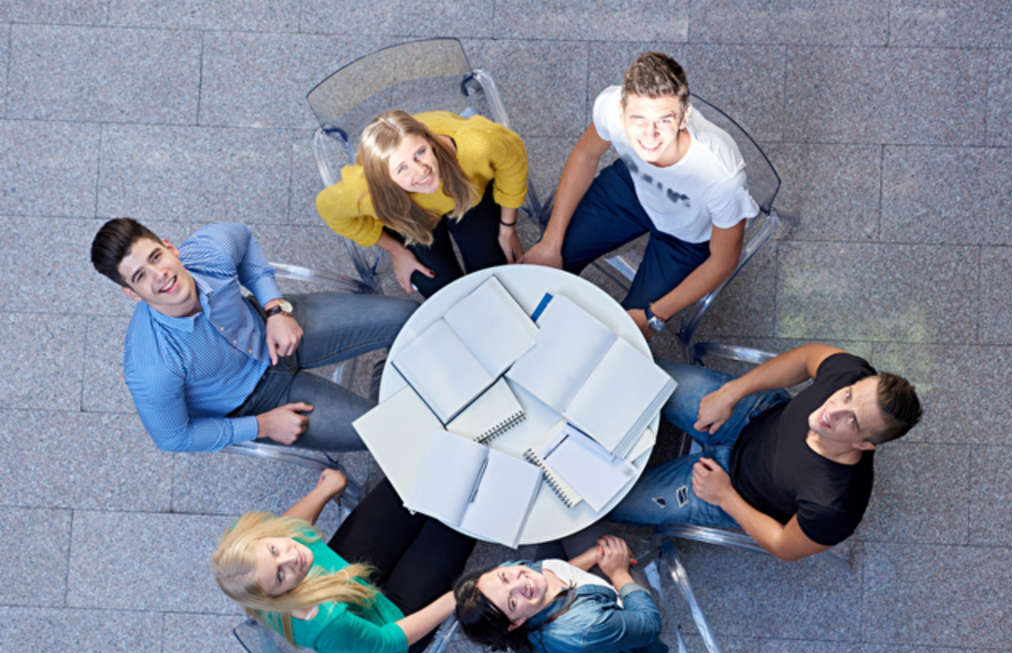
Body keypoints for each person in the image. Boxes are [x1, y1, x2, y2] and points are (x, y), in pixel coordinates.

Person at [90, 218, 417, 453]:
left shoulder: (209, 252)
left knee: (409, 318)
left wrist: (275, 308)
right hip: (259, 403)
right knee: (389, 433)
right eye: (140, 276)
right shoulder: (151, 365)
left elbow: (243, 238)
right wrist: (262, 425)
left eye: (156, 257)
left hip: (273, 326)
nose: (159, 275)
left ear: (170, 248)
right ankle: (402, 399)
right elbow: (173, 437)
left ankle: (395, 381)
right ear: (131, 293)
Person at [610, 344, 923, 561]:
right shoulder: (852, 375)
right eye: (847, 396)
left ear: (865, 445)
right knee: (634, 370)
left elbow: (784, 546)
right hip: (751, 414)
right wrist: (731, 392)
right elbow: (806, 358)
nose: (834, 410)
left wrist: (725, 497)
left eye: (852, 421)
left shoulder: (835, 506)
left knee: (609, 500)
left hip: (732, 489)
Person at [522, 52, 759, 340]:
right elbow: (585, 154)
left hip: (686, 237)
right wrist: (551, 241)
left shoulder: (721, 177)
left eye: (664, 120)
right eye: (638, 119)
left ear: (684, 117)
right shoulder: (611, 108)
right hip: (632, 187)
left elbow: (723, 261)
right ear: (622, 111)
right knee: (543, 267)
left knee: (623, 337)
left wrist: (652, 315)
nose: (650, 136)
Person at [212, 469, 475, 653]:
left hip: (342, 576)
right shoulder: (323, 622)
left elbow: (285, 527)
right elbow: (389, 642)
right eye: (280, 576)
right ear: (277, 597)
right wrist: (458, 596)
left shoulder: (245, 542)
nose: (292, 557)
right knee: (460, 518)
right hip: (390, 626)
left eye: (274, 549)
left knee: (408, 482)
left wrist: (324, 491)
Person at [316, 109, 529, 297]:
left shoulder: (477, 145)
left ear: (430, 140)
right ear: (385, 180)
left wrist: (507, 228)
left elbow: (513, 161)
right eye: (402, 168)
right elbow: (328, 210)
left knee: (493, 269)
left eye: (420, 152)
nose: (421, 171)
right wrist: (396, 251)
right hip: (411, 216)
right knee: (439, 289)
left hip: (466, 194)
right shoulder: (365, 192)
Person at [455, 534, 667, 653]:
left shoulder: (505, 577)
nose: (521, 582)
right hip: (619, 630)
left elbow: (558, 572)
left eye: (504, 577)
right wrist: (618, 572)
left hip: (584, 631)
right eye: (512, 602)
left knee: (568, 518)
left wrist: (593, 556)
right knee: (618, 540)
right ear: (516, 623)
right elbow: (649, 624)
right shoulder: (585, 628)